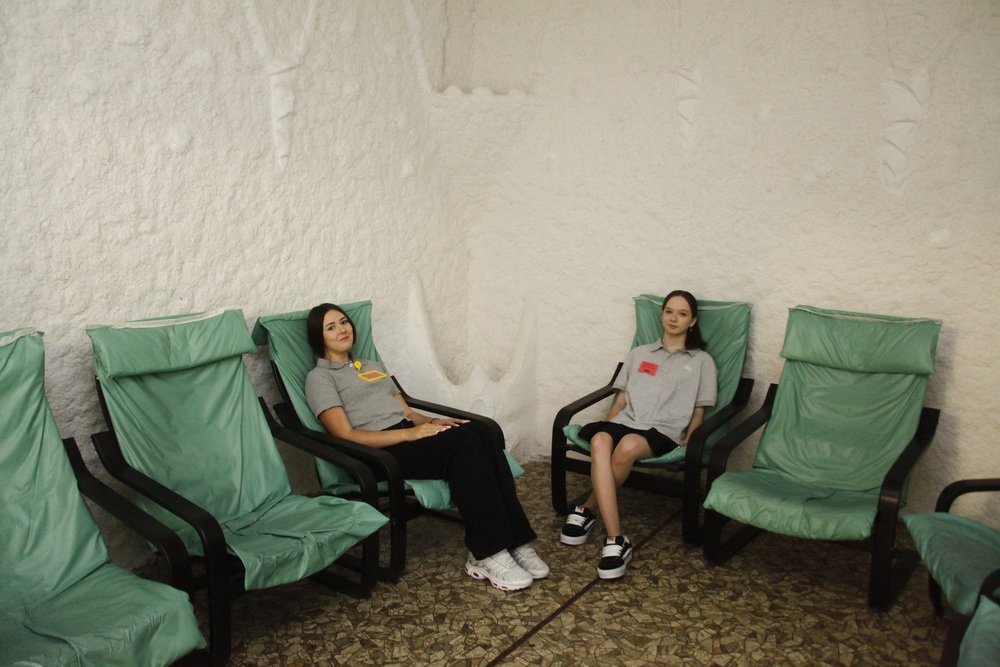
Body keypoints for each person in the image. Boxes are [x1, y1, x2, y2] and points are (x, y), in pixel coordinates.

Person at [304, 303, 548, 591]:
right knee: (464, 445)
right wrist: (409, 435)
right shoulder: (320, 378)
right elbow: (345, 434)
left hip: (408, 436)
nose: (342, 330)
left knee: (480, 431)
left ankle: (516, 540)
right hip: (376, 453)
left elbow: (407, 412)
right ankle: (486, 553)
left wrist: (435, 422)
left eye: (344, 322)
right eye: (331, 327)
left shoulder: (371, 366)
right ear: (319, 337)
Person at [560, 290, 717, 579]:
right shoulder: (639, 354)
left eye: (682, 314)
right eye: (669, 311)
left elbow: (698, 411)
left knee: (629, 446)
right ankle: (614, 537)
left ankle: (594, 517)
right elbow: (620, 400)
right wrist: (607, 425)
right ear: (662, 314)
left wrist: (691, 439)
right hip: (627, 420)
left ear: (692, 321)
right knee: (600, 439)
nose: (674, 318)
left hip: (663, 430)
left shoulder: (702, 361)